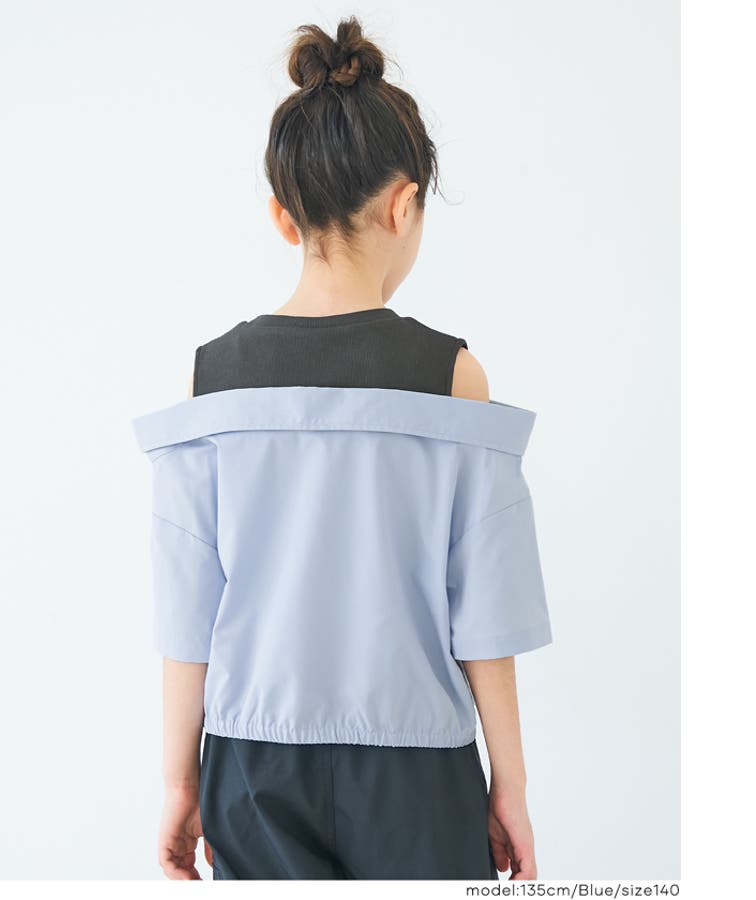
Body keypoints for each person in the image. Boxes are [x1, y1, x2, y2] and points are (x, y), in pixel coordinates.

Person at [132, 15, 553, 880]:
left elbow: (187, 611)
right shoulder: (452, 376)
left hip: (250, 760)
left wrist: (178, 781)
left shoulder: (213, 379)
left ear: (283, 218)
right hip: (418, 767)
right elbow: (487, 611)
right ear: (405, 205)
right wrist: (510, 786)